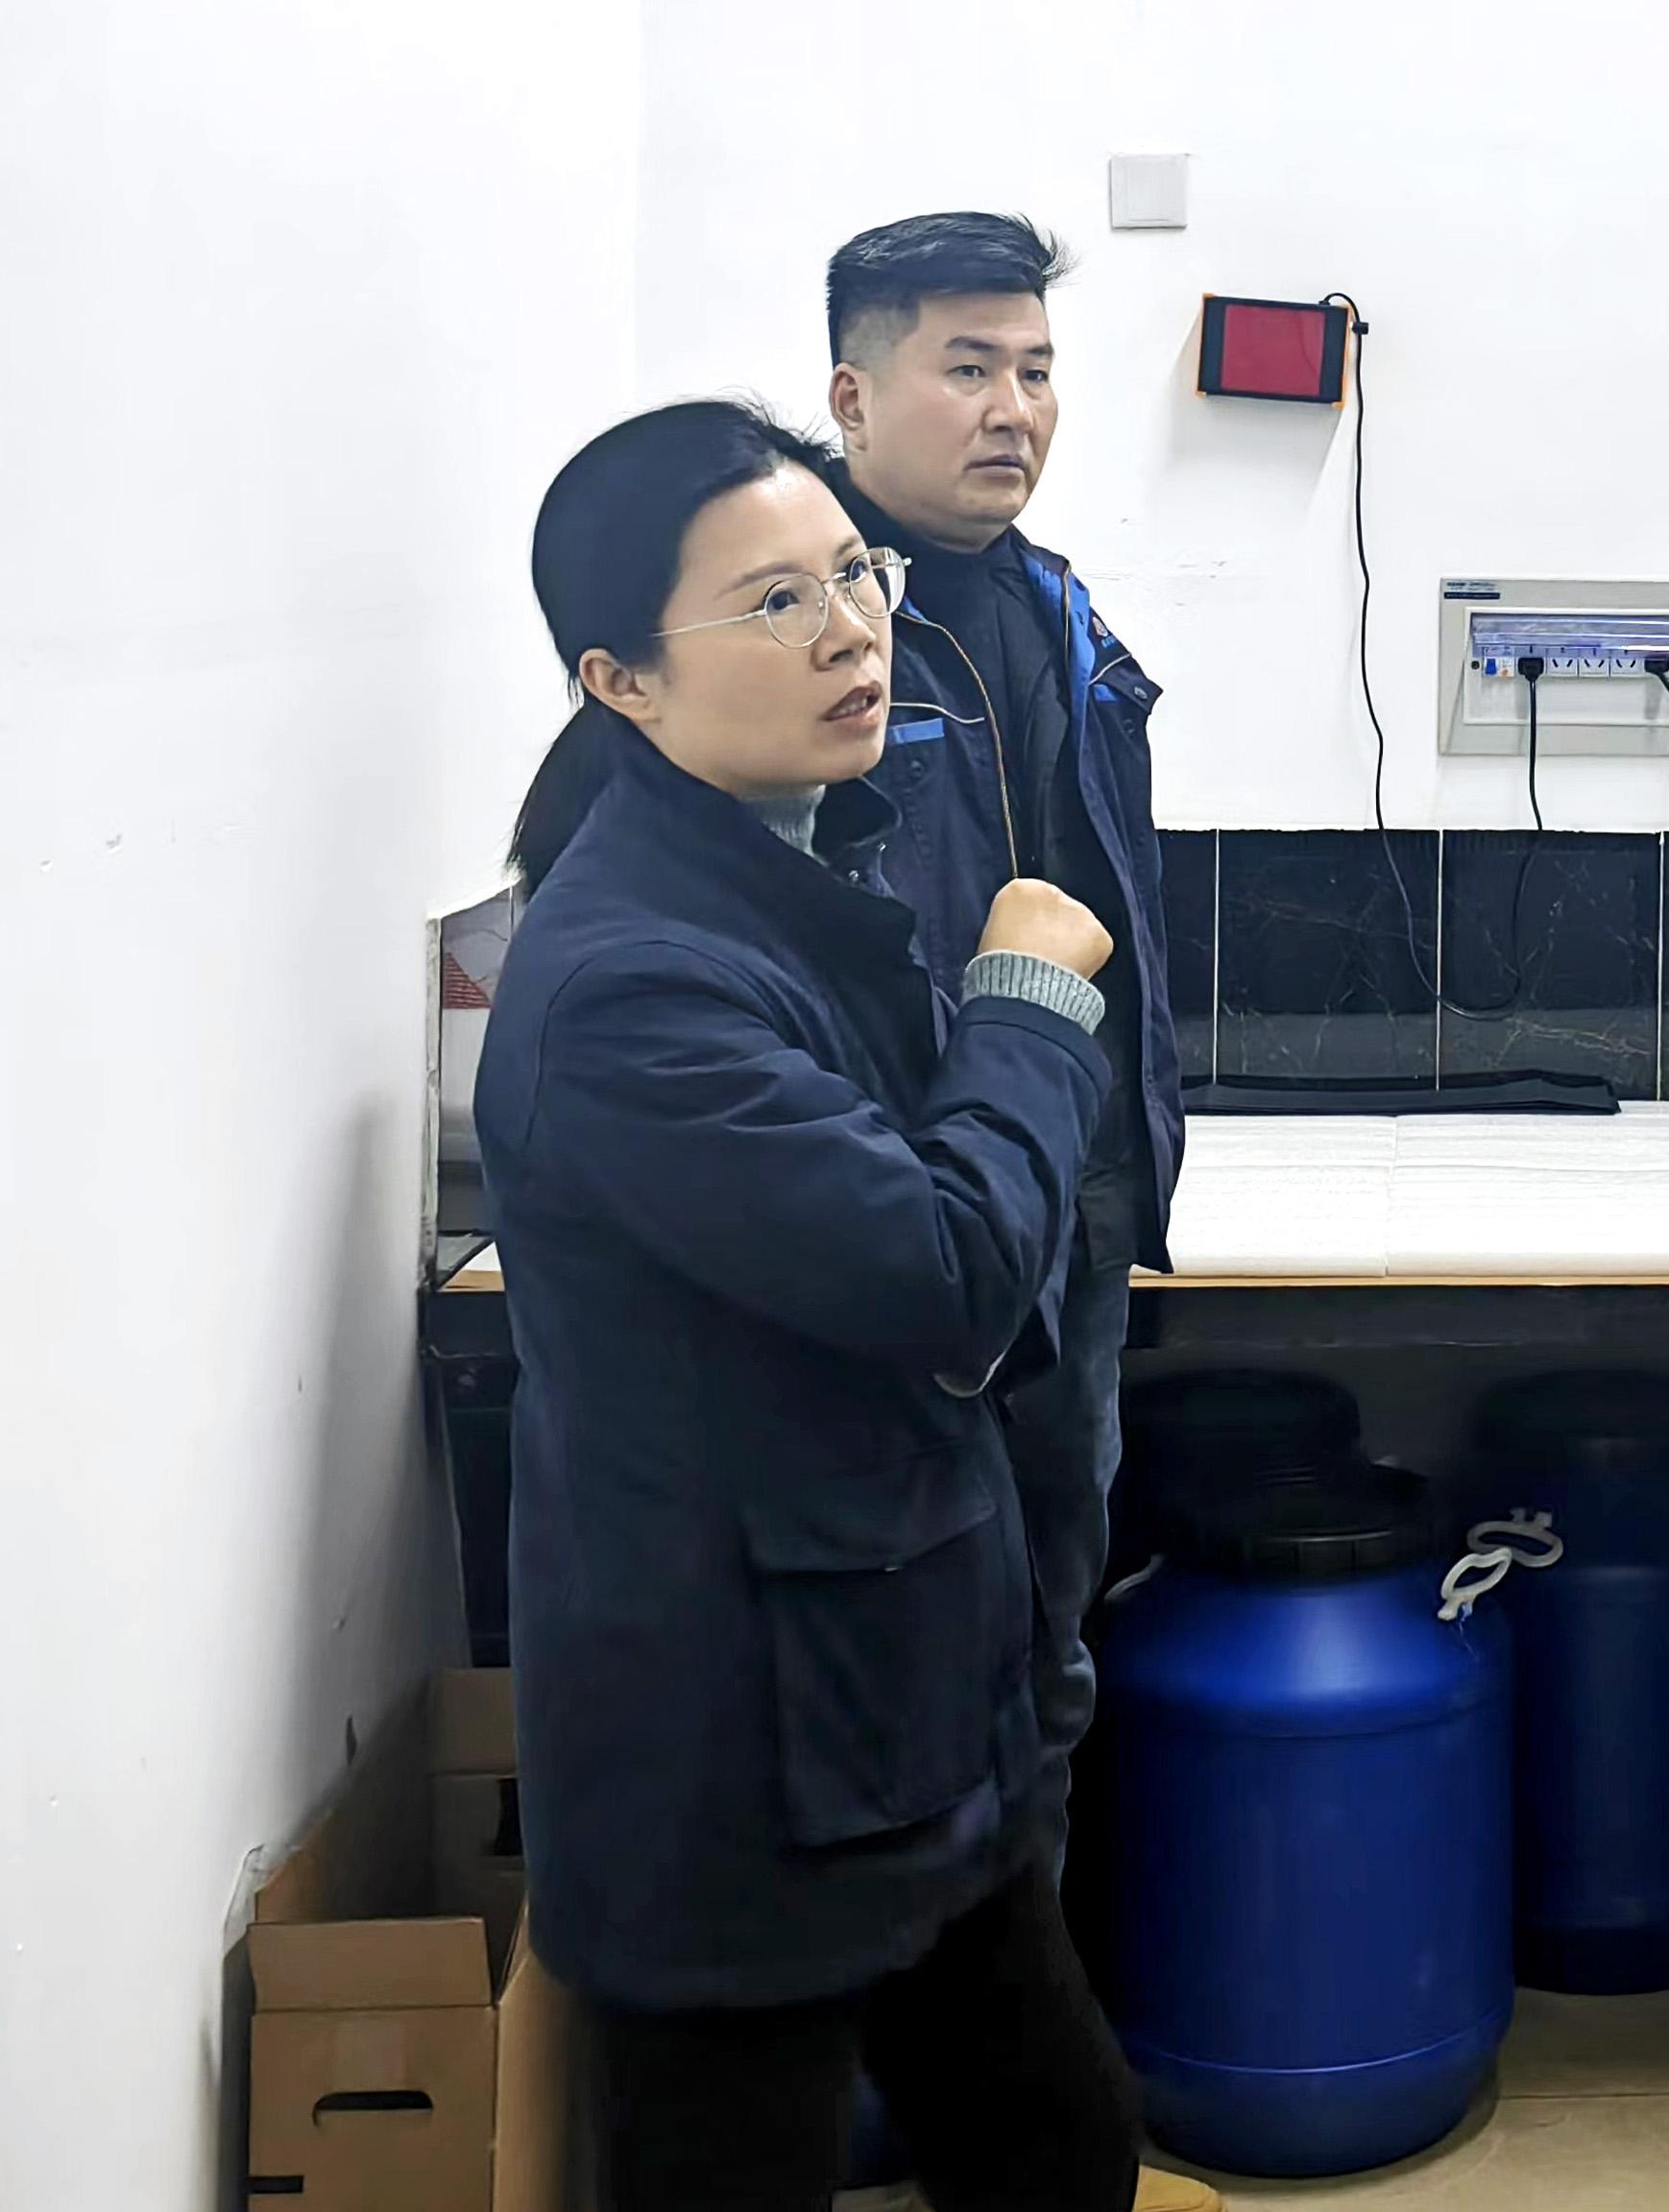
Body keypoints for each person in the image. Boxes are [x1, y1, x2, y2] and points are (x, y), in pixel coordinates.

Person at [478, 397, 1151, 2212]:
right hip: (742, 1764)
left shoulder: (790, 869)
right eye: (776, 603)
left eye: (855, 576)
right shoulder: (634, 989)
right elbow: (945, 1272)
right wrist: (1030, 999)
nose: (852, 630)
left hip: (909, 1704)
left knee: (1061, 2143)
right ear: (621, 682)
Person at [820, 211, 1183, 1888]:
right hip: (901, 1226)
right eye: (966, 368)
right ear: (852, 393)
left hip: (1070, 1203)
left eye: (1035, 372)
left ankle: (1018, 2020)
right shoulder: (811, 631)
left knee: (1049, 1637)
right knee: (895, 1661)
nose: (1013, 411)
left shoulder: (1054, 606)